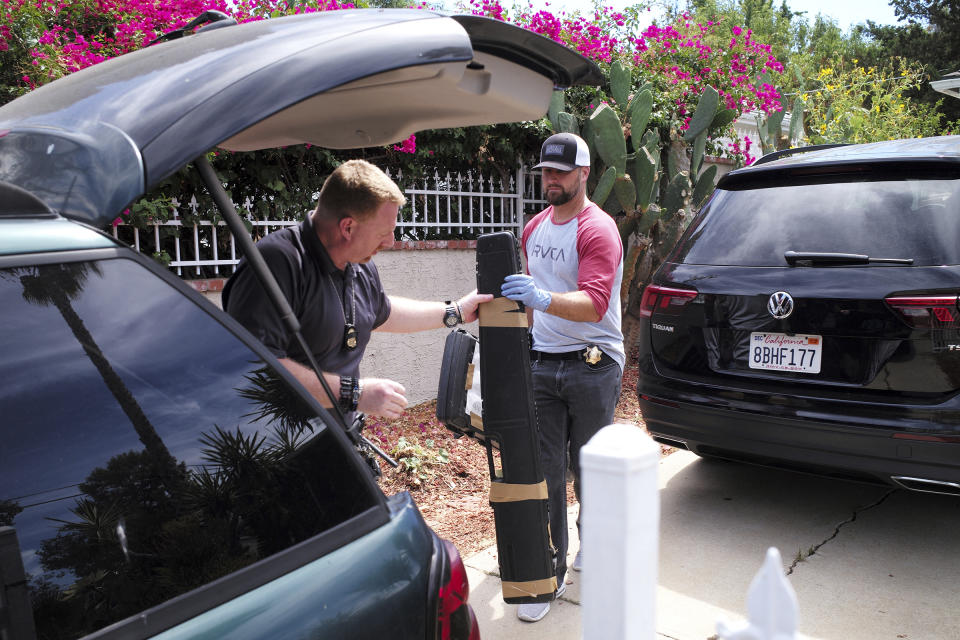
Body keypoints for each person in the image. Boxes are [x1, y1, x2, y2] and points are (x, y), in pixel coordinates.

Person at [224, 159, 491, 420]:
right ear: (348, 227)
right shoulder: (277, 263)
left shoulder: (359, 262)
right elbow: (253, 366)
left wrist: (455, 311)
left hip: (337, 442)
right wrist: (354, 393)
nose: (390, 242)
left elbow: (382, 311)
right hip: (282, 450)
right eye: (383, 233)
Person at [501, 132, 625, 623]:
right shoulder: (534, 229)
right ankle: (546, 575)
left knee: (589, 466)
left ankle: (592, 541)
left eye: (559, 172)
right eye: (545, 173)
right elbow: (533, 304)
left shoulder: (599, 230)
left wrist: (542, 298)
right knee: (545, 471)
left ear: (583, 174)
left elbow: (594, 304)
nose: (550, 181)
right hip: (544, 360)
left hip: (594, 361)